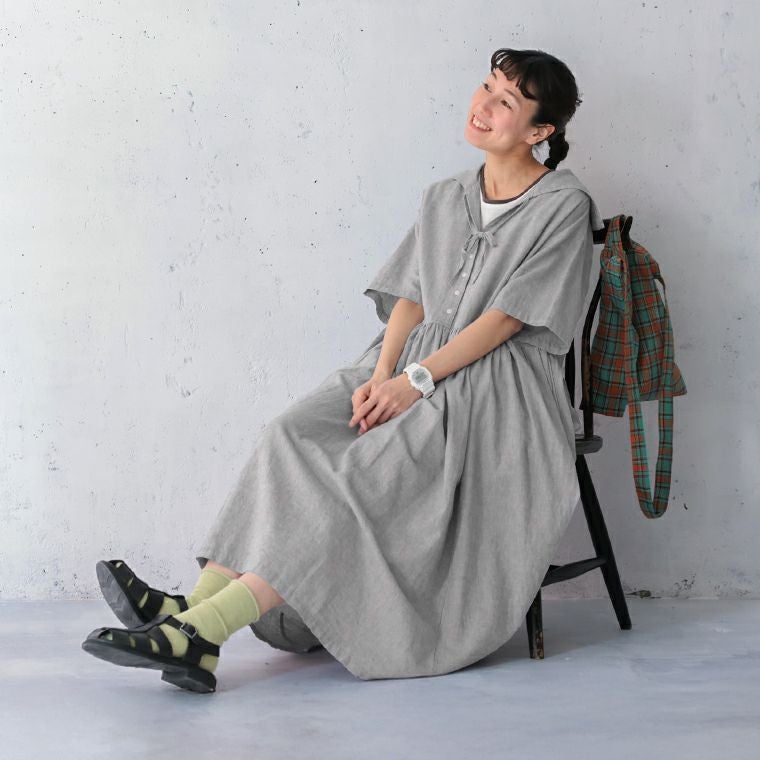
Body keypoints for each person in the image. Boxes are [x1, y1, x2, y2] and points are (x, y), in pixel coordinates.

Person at [82, 47, 604, 693]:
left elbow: (505, 320)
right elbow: (411, 296)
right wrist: (382, 373)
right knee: (290, 433)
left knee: (361, 471)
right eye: (486, 87)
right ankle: (193, 614)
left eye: (506, 101)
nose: (483, 106)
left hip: (498, 383)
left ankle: (197, 628)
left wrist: (415, 382)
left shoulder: (563, 205)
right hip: (405, 363)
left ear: (539, 129)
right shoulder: (445, 197)